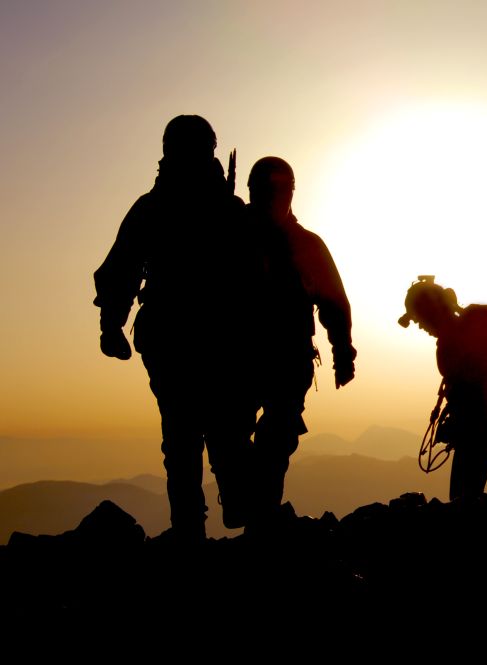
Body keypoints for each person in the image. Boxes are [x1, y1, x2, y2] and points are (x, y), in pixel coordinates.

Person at [93, 115, 255, 540]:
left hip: (180, 339)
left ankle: (193, 531)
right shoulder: (225, 210)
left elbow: (119, 272)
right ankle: (222, 520)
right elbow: (121, 272)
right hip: (214, 340)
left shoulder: (155, 208)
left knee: (186, 438)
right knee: (217, 433)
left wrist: (112, 326)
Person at [245, 156, 356, 527]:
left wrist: (343, 353)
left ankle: (258, 517)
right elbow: (334, 303)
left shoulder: (297, 244)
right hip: (247, 360)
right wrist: (342, 354)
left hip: (273, 361)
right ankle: (256, 514)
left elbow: (333, 302)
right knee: (257, 443)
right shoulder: (231, 235)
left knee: (273, 441)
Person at [398, 276, 487, 500]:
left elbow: (472, 397)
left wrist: (453, 426)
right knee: (466, 500)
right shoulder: (466, 332)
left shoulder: (453, 346)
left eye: (421, 320)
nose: (422, 327)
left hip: (478, 433)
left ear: (431, 313)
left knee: (464, 503)